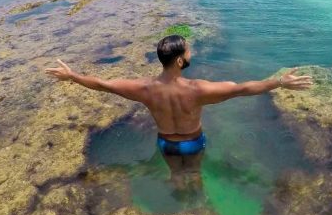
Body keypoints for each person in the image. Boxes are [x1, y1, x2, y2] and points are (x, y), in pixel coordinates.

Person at [45, 35, 312, 192]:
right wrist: (279, 82)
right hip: (193, 142)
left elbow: (103, 84)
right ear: (181, 61)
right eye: (188, 50)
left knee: (175, 174)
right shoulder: (198, 90)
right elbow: (242, 88)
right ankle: (197, 199)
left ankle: (180, 196)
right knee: (194, 172)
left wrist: (72, 77)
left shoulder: (144, 89)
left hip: (166, 144)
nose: (190, 52)